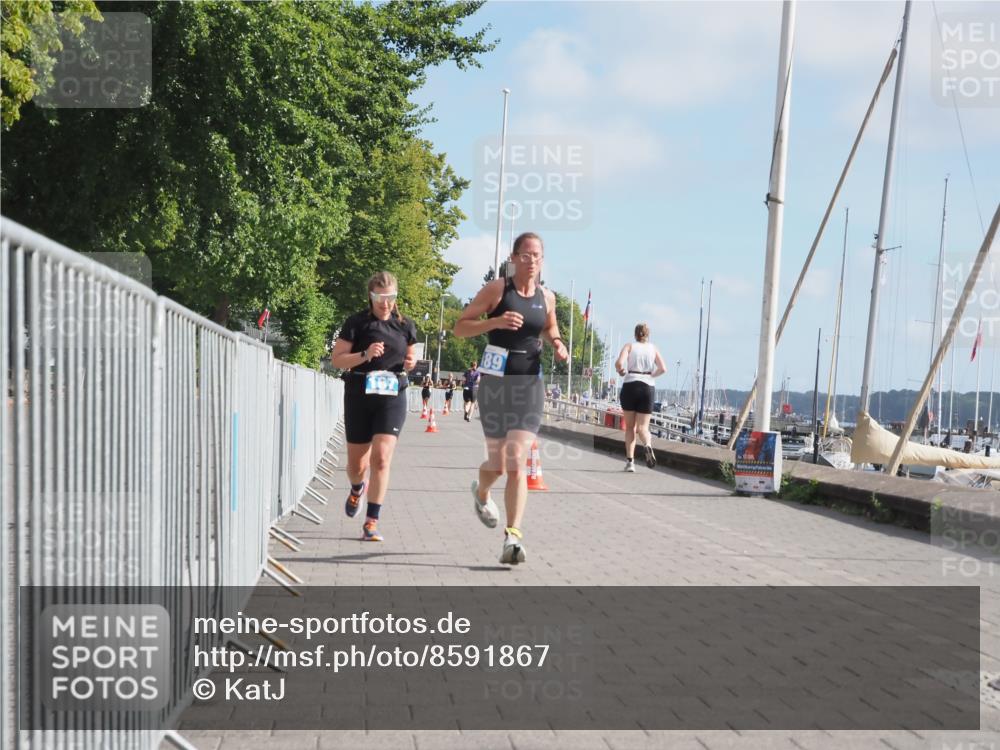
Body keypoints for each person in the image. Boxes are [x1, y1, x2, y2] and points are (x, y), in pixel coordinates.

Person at [454, 232, 568, 565]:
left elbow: (550, 328)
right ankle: (482, 491)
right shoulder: (497, 290)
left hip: (529, 385)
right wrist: (496, 321)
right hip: (495, 386)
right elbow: (461, 327)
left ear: (542, 260)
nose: (532, 261)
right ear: (514, 258)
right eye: (526, 255)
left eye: (537, 255)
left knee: (518, 461)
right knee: (498, 465)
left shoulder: (548, 297)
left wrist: (558, 343)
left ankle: (512, 536)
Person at [330, 271, 417, 542]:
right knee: (357, 465)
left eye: (390, 297)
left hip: (392, 396)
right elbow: (337, 360)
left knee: (381, 458)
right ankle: (357, 487)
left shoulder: (405, 325)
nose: (386, 303)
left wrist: (411, 362)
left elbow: (411, 353)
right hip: (358, 394)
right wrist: (365, 355)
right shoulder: (357, 323)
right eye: (380, 297)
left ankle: (371, 521)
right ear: (371, 296)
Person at [615, 323, 667, 472]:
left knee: (630, 427)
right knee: (643, 427)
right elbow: (663, 368)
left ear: (635, 334)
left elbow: (619, 363)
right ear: (648, 335)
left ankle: (630, 463)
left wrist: (621, 370)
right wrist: (652, 375)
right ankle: (647, 445)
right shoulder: (653, 348)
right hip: (647, 387)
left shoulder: (629, 346)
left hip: (630, 384)